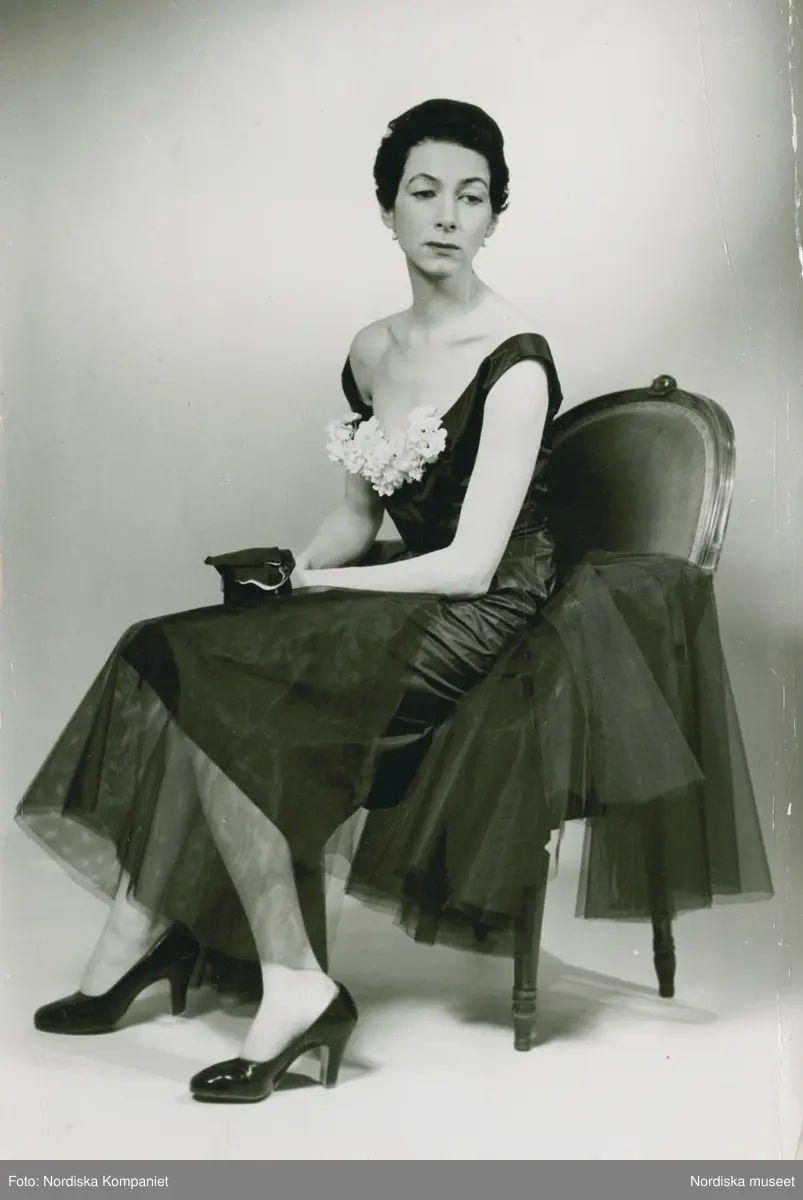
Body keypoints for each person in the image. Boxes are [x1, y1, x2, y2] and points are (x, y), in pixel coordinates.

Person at [16, 98, 773, 1105]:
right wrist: (291, 566)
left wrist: (318, 585)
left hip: (491, 617)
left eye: (471, 197)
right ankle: (152, 931)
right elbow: (355, 515)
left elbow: (470, 568)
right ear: (387, 209)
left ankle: (267, 975)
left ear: (494, 216)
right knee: (164, 647)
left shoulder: (515, 360)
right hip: (400, 593)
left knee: (229, 690)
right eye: (424, 192)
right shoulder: (371, 350)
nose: (446, 215)